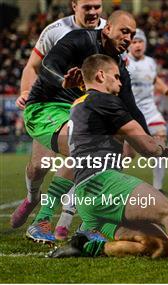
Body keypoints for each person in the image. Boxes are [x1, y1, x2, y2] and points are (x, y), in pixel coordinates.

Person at [48, 54, 168, 265]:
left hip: (85, 196)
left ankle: (89, 245)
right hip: (104, 183)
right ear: (101, 75)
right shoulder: (105, 101)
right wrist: (160, 149)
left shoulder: (77, 104)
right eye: (117, 77)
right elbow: (146, 147)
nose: (120, 83)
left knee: (160, 245)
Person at [12, 10, 150, 244]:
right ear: (108, 29)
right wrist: (60, 81)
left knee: (117, 148)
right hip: (46, 106)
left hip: (77, 110)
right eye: (124, 32)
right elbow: (45, 66)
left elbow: (130, 107)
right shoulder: (74, 37)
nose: (128, 38)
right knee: (40, 166)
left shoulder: (116, 62)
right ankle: (38, 208)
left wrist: (150, 139)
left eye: (133, 34)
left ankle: (84, 224)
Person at [11, 0, 106, 240]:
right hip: (50, 104)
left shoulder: (108, 32)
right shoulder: (55, 31)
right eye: (87, 7)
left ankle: (50, 220)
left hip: (82, 107)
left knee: (84, 150)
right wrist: (25, 91)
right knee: (39, 166)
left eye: (98, 6)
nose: (93, 12)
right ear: (74, 5)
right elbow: (32, 67)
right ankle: (32, 198)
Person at [124, 29, 168, 192]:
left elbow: (155, 80)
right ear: (129, 45)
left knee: (160, 143)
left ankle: (158, 187)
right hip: (129, 113)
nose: (137, 45)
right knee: (127, 155)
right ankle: (111, 184)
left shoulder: (150, 62)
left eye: (140, 41)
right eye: (134, 42)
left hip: (150, 111)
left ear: (145, 44)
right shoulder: (123, 60)